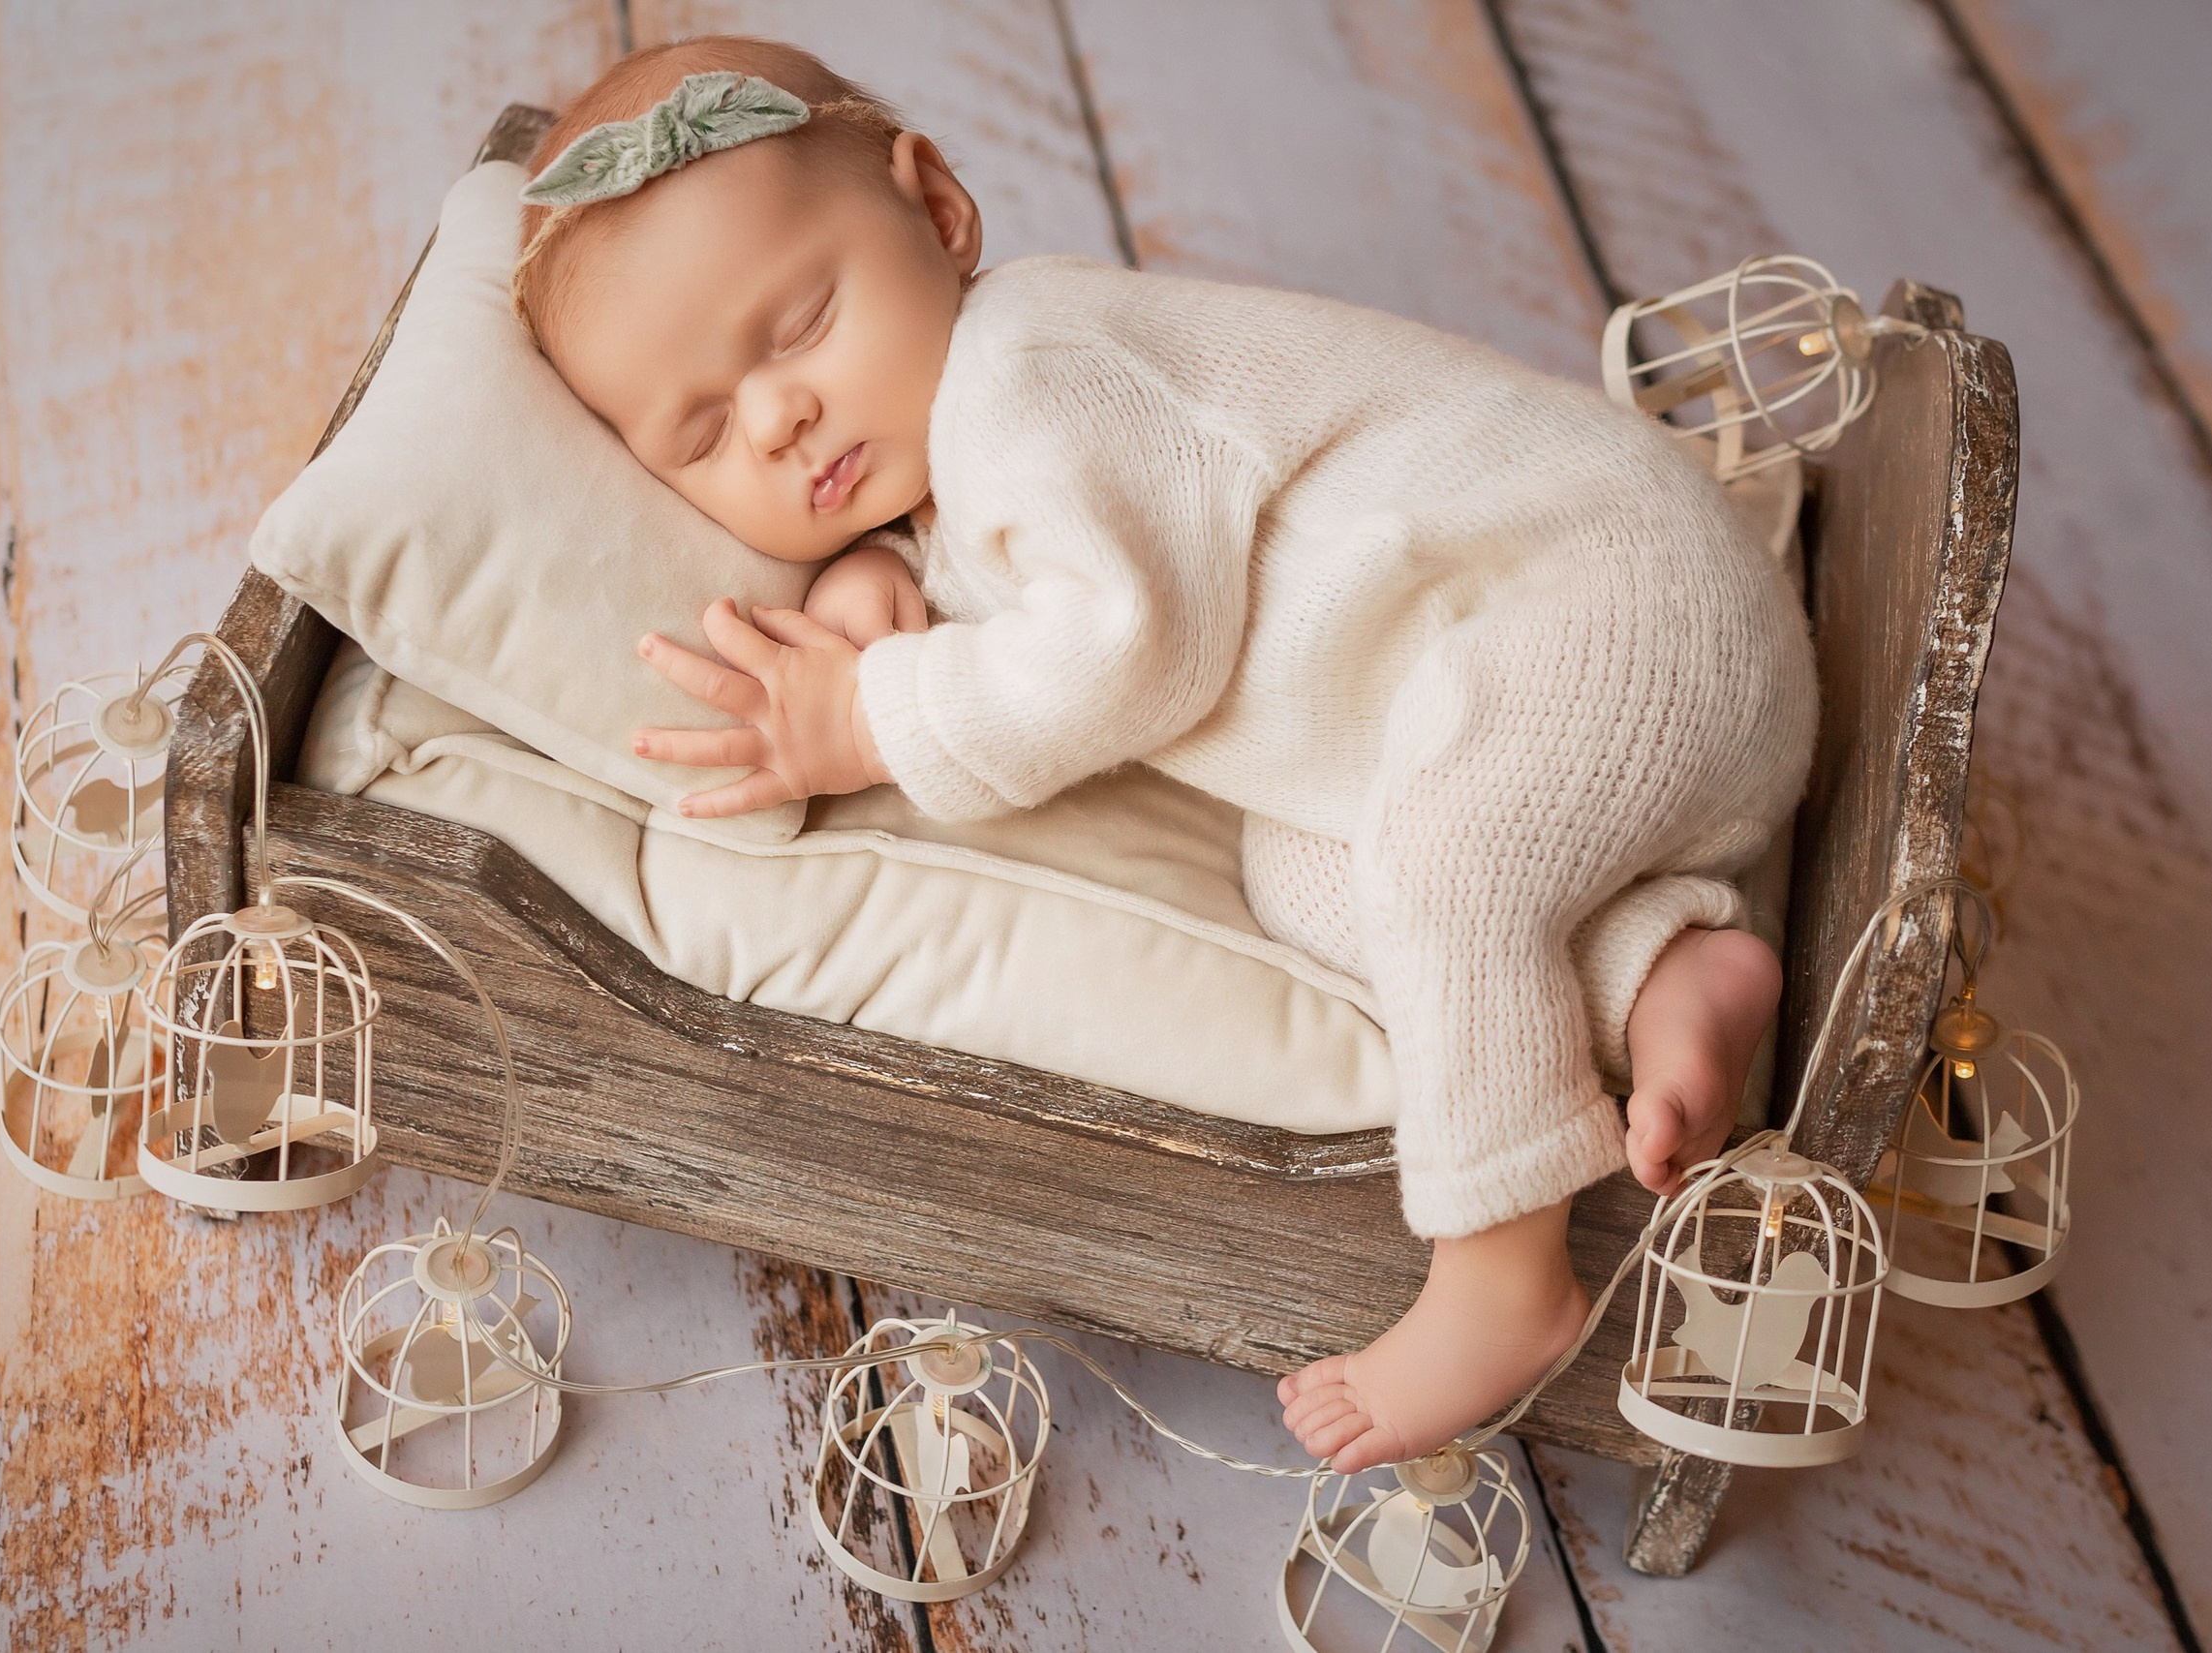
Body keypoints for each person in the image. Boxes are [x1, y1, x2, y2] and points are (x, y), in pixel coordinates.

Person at [511, 38, 1813, 1473]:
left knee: (1454, 859)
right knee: (1310, 875)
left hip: (1623, 597)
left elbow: (1130, 641)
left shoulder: (1035, 367)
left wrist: (877, 713)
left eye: (804, 319)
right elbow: (997, 557)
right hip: (1523, 693)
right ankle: (1659, 973)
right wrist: (873, 591)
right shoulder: (959, 449)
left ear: (937, 211)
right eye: (703, 435)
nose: (776, 417)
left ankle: (1507, 1281)